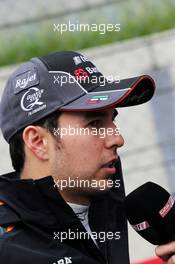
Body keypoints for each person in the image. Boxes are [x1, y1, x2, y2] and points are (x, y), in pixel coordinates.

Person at [0, 51, 155, 264]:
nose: (118, 139)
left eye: (112, 121)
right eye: (94, 124)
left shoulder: (102, 200)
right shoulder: (10, 251)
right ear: (38, 142)